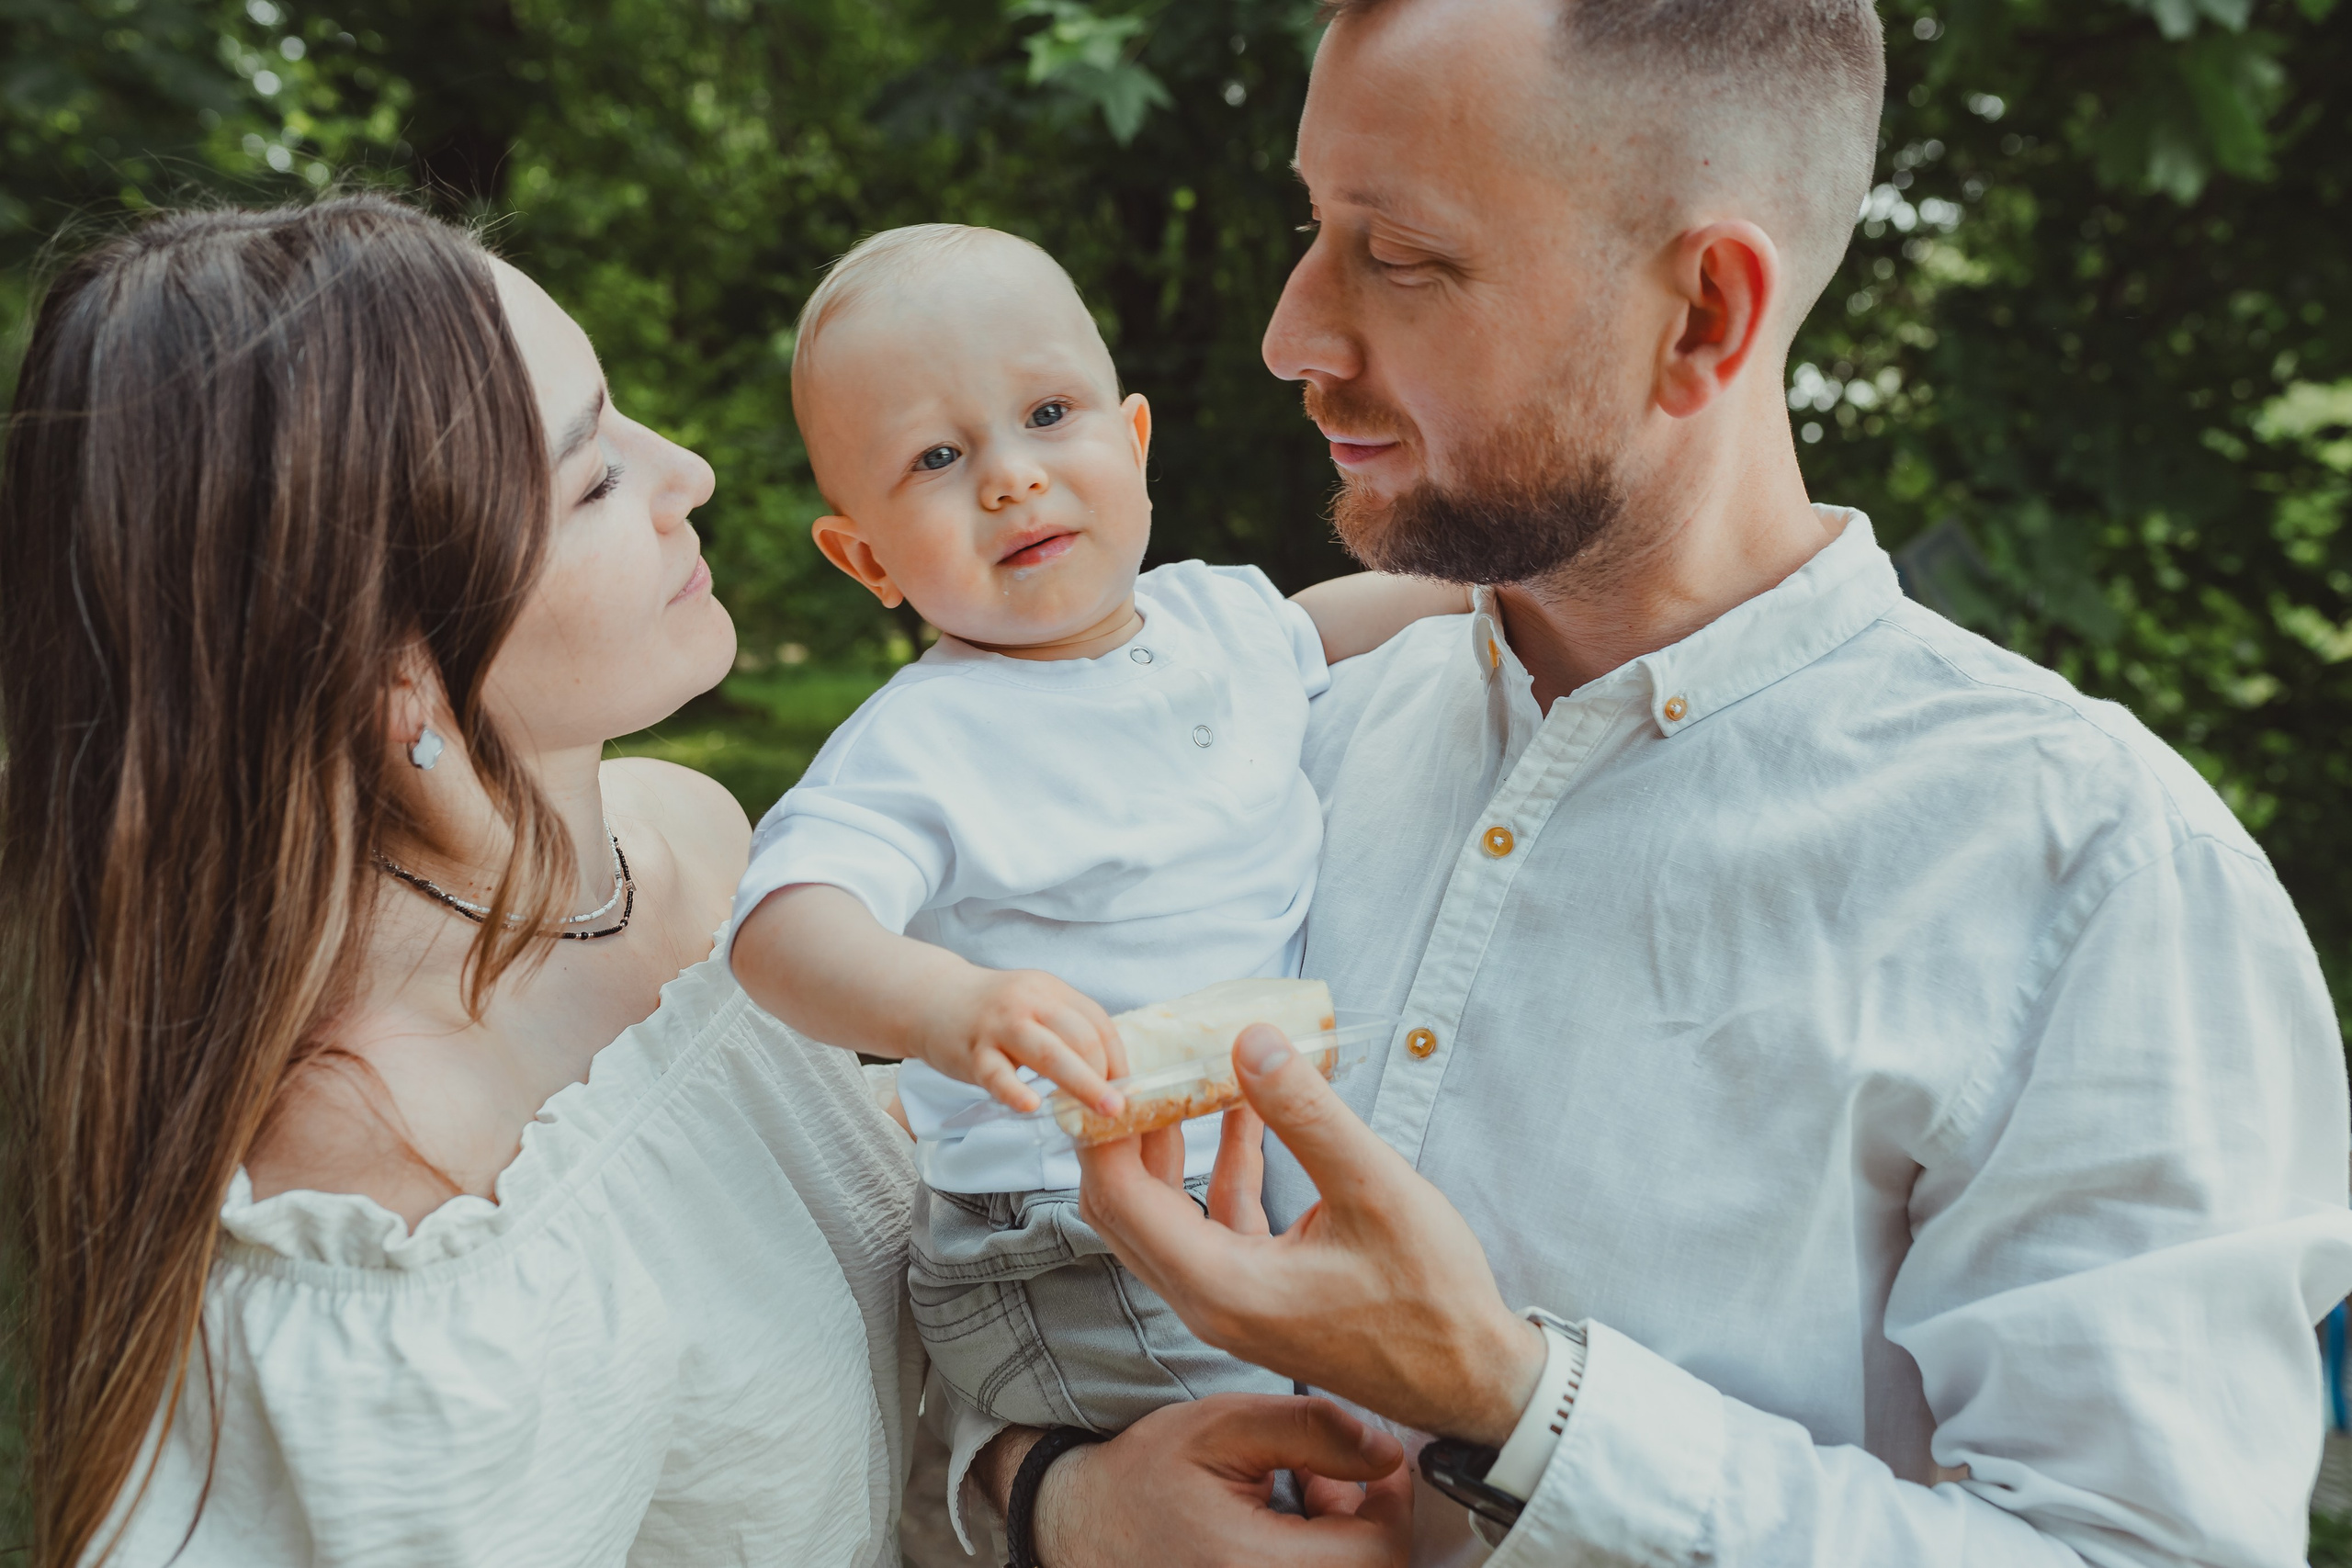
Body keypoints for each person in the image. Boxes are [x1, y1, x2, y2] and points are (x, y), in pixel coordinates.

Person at [1068, 1, 2352, 1565]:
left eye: (1398, 256)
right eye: (1310, 223)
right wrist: (1051, 1505)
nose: (1293, 337)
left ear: (1702, 317)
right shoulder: (1275, 745)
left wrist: (1515, 1403)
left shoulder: (2091, 873)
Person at [0, 197, 1410, 1568]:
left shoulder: (684, 843)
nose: (691, 473)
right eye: (597, 475)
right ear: (393, 667)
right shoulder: (399, 1199)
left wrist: (1058, 1504)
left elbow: (898, 1368)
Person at [729, 223, 1460, 1440]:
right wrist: (947, 1009)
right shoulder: (930, 738)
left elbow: (1325, 626)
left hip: (1227, 1192)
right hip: (1058, 1232)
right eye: (937, 456)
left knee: (1346, 1446)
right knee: (1289, 1468)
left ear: (1134, 440)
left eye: (1049, 413)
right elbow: (781, 924)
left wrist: (1499, 583)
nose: (1010, 477)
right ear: (867, 559)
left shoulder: (1223, 617)